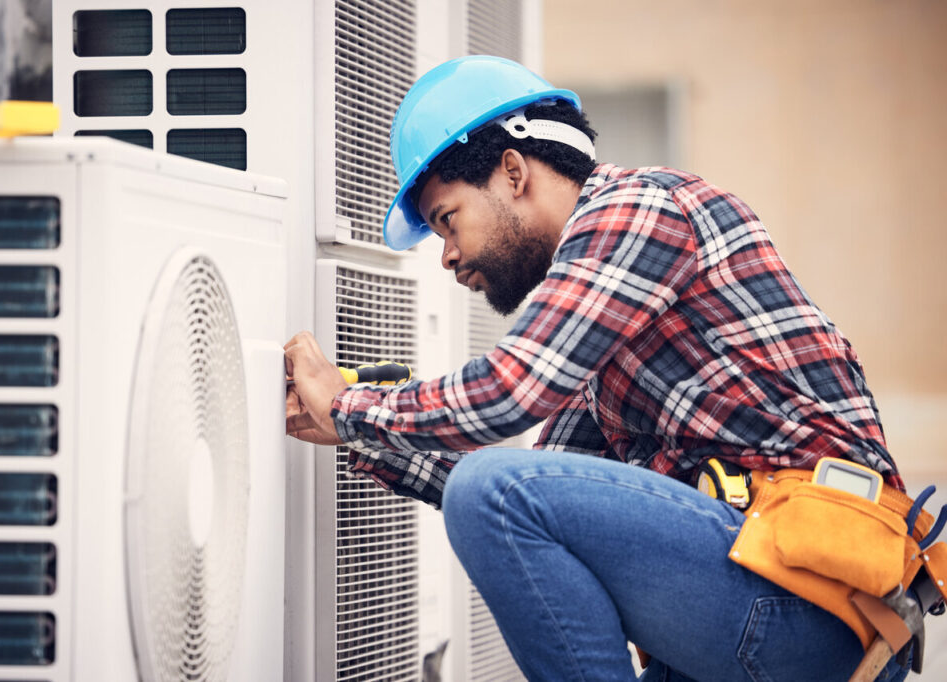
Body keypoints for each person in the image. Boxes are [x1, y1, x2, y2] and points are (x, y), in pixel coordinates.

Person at [284, 55, 916, 681]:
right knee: (494, 490)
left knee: (493, 486)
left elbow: (510, 395)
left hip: (816, 598)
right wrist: (363, 435)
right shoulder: (604, 312)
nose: (446, 257)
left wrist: (348, 404)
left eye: (447, 220)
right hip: (768, 588)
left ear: (512, 173)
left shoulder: (640, 208)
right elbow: (533, 496)